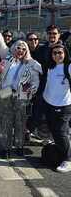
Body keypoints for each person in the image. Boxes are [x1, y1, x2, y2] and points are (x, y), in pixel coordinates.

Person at [0, 19, 42, 158]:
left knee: (20, 122)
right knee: (5, 121)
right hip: (5, 93)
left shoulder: (32, 64)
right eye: (18, 48)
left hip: (22, 95)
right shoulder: (8, 57)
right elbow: (0, 44)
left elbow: (36, 82)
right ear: (14, 48)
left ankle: (19, 146)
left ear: (26, 51)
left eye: (24, 49)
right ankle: (5, 147)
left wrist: (28, 90)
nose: (20, 51)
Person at [41, 44, 71, 173]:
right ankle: (61, 153)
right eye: (54, 53)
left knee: (61, 132)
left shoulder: (68, 67)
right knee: (54, 132)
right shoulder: (50, 67)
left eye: (60, 52)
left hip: (63, 106)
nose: (57, 55)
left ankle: (68, 160)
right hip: (49, 104)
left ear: (65, 53)